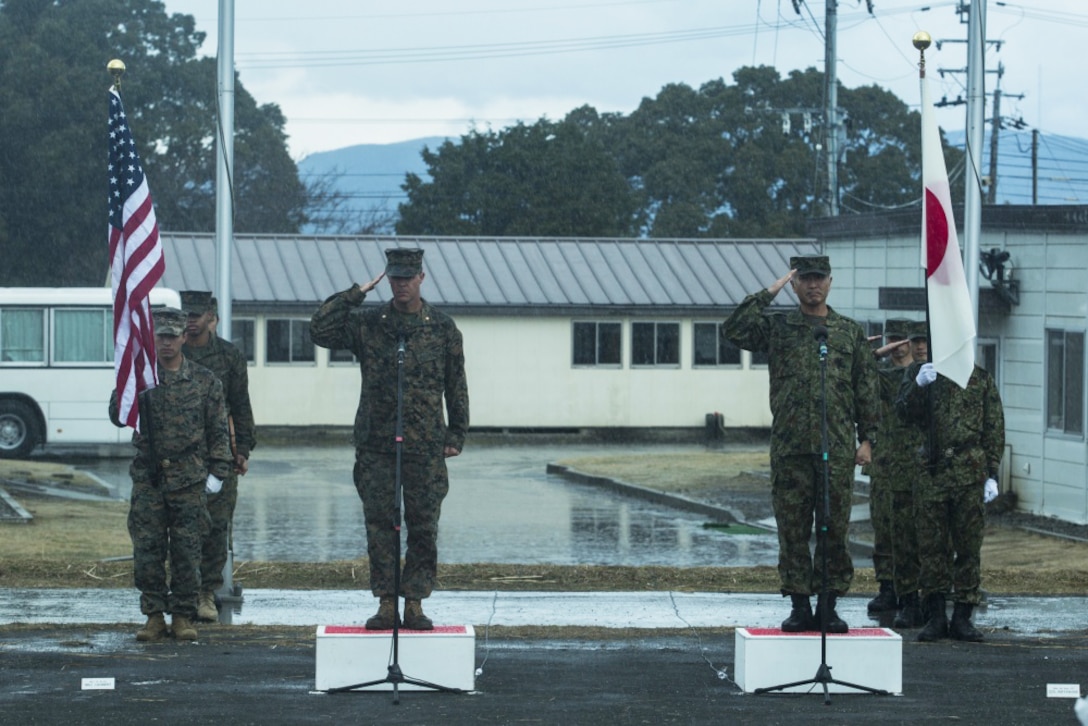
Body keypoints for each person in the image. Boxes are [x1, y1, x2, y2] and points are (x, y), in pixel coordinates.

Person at [310, 248, 469, 631]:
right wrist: (354, 294)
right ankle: (386, 602)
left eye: (407, 278)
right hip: (376, 443)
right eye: (394, 278)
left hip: (425, 444)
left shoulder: (442, 328)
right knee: (380, 524)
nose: (401, 285)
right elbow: (320, 330)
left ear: (421, 278)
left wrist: (457, 433)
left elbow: (456, 384)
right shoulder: (370, 324)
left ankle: (413, 602)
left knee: (423, 524)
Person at [723, 255, 880, 633]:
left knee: (833, 529)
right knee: (792, 530)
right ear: (794, 284)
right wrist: (769, 291)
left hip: (837, 448)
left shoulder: (848, 332)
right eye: (805, 279)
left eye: (819, 278)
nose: (813, 285)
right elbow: (734, 329)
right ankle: (799, 606)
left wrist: (868, 439)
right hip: (791, 448)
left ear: (830, 281)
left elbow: (866, 388)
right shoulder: (780, 329)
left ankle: (828, 605)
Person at [110, 307, 232, 642]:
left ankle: (182, 615)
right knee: (148, 551)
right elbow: (117, 416)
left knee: (186, 552)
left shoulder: (206, 381)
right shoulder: (141, 377)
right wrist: (128, 381)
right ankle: (153, 615)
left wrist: (218, 473)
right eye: (160, 336)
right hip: (150, 478)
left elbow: (218, 431)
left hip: (189, 481)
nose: (166, 343)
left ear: (183, 337)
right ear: (152, 338)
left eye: (172, 336)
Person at [897, 354, 1005, 642]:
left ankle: (962, 617)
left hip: (970, 472)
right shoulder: (923, 374)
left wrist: (992, 472)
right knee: (932, 548)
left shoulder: (980, 378)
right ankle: (935, 616)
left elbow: (993, 428)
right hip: (932, 472)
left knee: (968, 547)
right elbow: (902, 414)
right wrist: (918, 387)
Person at [180, 290, 257, 623]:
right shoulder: (171, 353)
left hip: (218, 455)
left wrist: (243, 450)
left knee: (215, 525)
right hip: (180, 453)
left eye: (197, 315)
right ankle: (181, 592)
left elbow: (241, 404)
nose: (191, 321)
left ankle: (205, 593)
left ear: (211, 316)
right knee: (182, 527)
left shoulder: (228, 356)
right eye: (186, 315)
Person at [864, 318, 916, 616]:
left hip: (913, 463)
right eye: (894, 339)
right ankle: (887, 588)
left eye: (905, 340)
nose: (899, 346)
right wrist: (877, 354)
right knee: (883, 528)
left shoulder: (923, 375)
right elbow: (857, 369)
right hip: (884, 462)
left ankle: (913, 591)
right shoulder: (880, 377)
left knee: (912, 531)